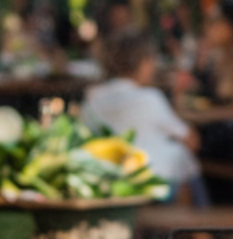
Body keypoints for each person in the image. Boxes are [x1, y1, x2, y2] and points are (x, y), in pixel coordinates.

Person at [82, 29, 208, 205]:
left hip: (111, 184)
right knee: (187, 165)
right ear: (144, 62)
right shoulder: (150, 98)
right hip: (156, 186)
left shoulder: (92, 98)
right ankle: (201, 230)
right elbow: (192, 141)